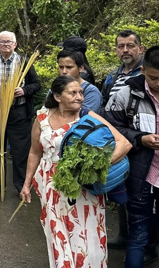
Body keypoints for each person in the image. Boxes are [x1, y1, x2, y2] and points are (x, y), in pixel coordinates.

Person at [20, 76, 131, 268]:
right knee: (56, 233)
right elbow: (34, 152)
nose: (79, 97)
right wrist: (26, 184)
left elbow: (124, 143)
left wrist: (95, 167)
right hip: (50, 188)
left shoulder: (87, 117)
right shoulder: (42, 118)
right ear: (57, 96)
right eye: (72, 93)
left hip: (83, 189)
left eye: (80, 92)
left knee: (86, 234)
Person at [104, 46, 159, 267]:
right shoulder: (125, 95)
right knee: (138, 235)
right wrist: (140, 139)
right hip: (140, 177)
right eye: (153, 78)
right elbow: (109, 128)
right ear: (142, 70)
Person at [0, 31, 41, 195]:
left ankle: (22, 185)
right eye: (2, 42)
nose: (6, 44)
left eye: (9, 41)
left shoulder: (24, 63)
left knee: (20, 150)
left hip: (18, 113)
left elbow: (36, 84)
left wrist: (24, 90)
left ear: (15, 44)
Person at [100, 29, 145, 114]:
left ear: (141, 49)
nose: (125, 50)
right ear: (116, 50)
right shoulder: (112, 76)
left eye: (130, 46)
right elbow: (102, 103)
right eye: (121, 46)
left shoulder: (149, 73)